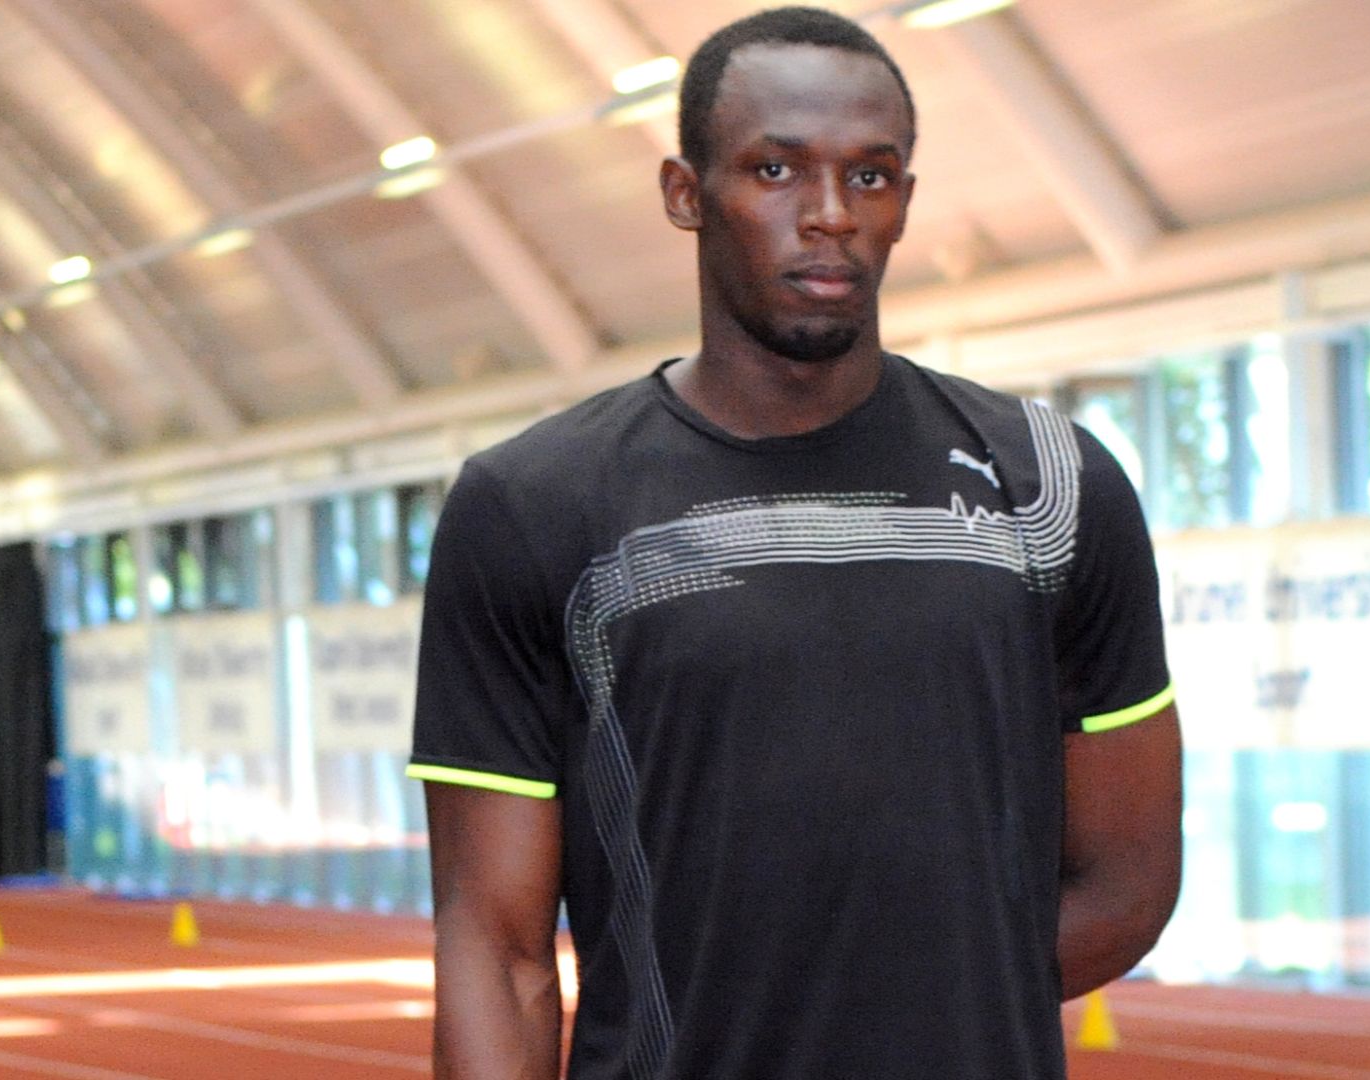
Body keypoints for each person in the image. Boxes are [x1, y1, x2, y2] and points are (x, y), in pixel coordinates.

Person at [407, 7, 1182, 1079]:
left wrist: (917, 1023)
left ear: (905, 201)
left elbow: (1129, 887)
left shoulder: (1054, 485)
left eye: (870, 177)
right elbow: (496, 949)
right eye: (775, 171)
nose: (829, 215)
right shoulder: (533, 504)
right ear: (685, 194)